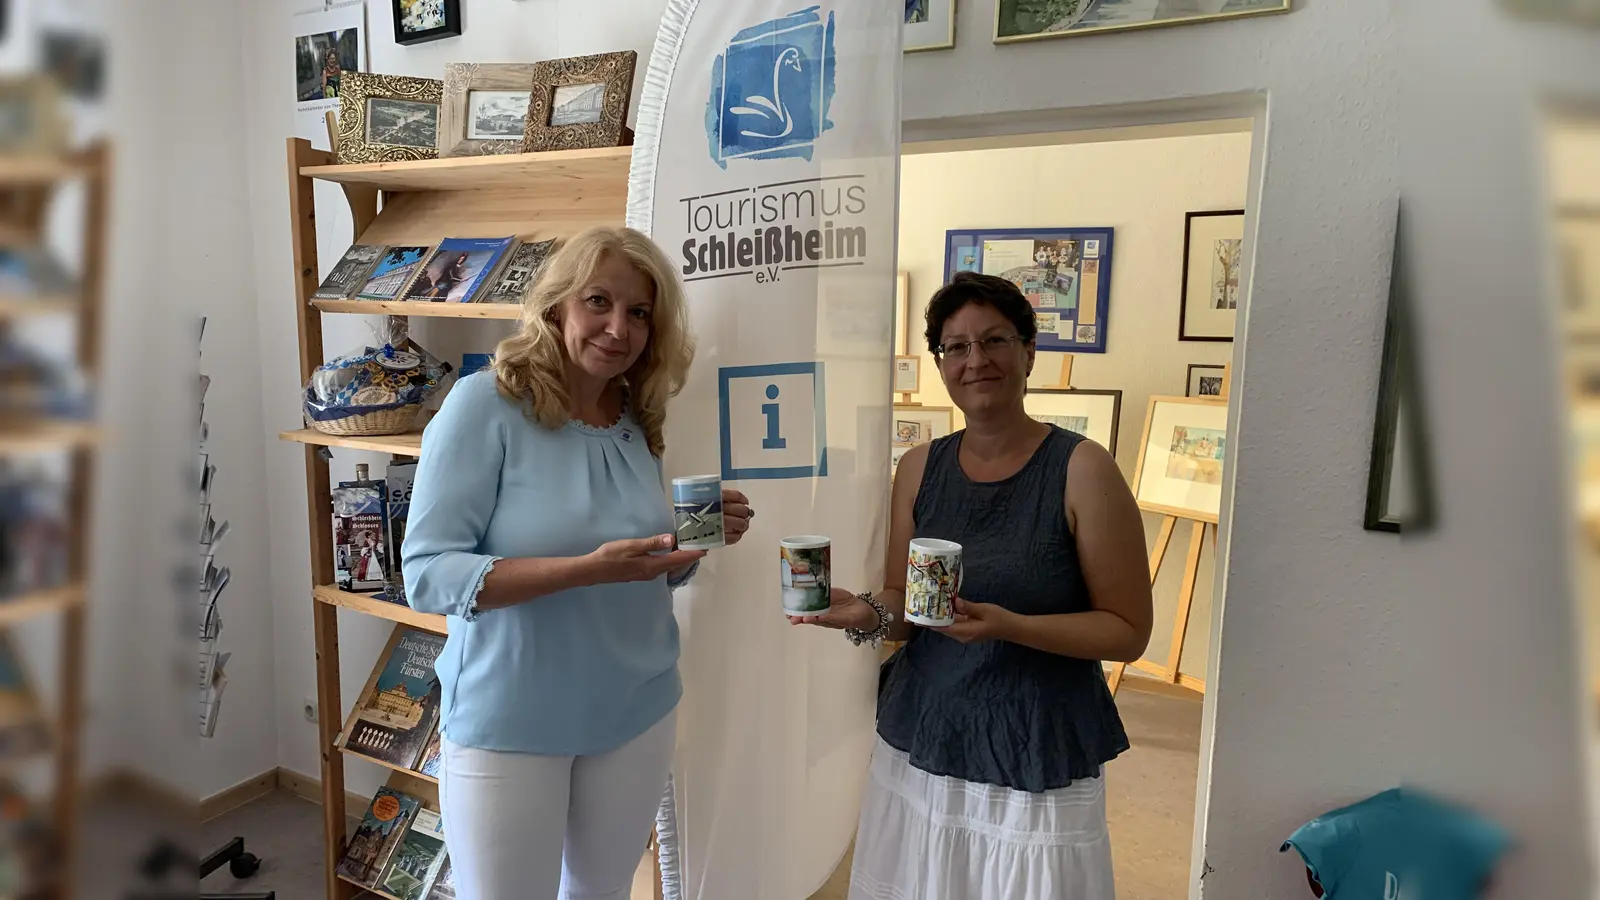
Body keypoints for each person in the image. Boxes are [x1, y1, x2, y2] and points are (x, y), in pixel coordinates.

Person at [401, 225, 753, 900]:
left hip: (637, 710)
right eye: (599, 301)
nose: (617, 328)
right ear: (558, 304)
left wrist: (689, 546)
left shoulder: (635, 418)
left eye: (639, 313)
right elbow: (428, 576)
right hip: (512, 716)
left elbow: (648, 568)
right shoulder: (485, 406)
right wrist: (586, 568)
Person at [796, 271, 1154, 899]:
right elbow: (908, 613)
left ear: (1028, 352)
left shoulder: (1082, 468)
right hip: (926, 734)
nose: (976, 361)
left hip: (1032, 744)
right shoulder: (918, 467)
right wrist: (863, 612)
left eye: (994, 341)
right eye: (955, 347)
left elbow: (1127, 632)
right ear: (940, 363)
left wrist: (1010, 626)